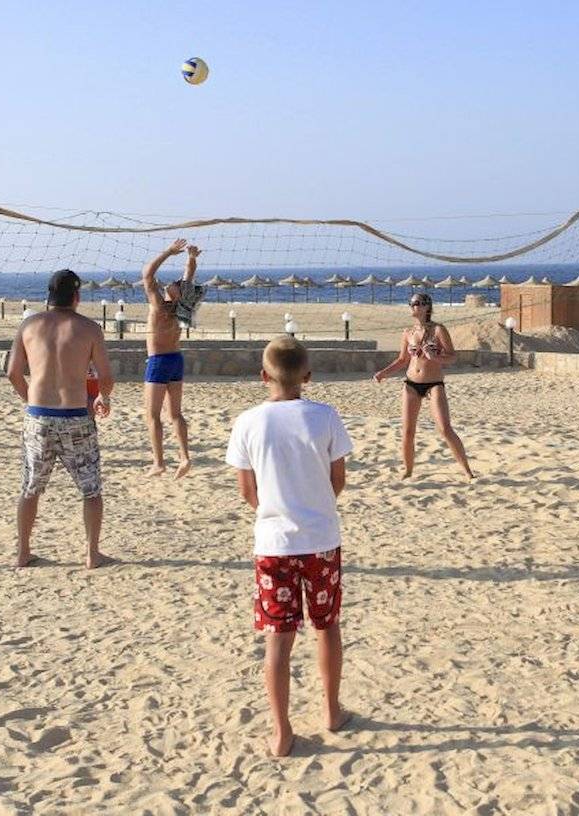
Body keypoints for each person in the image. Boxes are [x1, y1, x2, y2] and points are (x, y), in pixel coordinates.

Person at [226, 337, 354, 757]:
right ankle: (331, 710)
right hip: (320, 540)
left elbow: (249, 490)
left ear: (263, 377)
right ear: (308, 376)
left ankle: (282, 733)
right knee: (326, 624)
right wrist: (315, 505)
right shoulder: (325, 416)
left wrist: (275, 510)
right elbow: (338, 479)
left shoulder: (248, 422)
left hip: (274, 543)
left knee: (278, 637)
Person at [6, 269, 114, 569]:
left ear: (49, 296)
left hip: (38, 416)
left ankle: (23, 552)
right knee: (90, 489)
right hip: (76, 414)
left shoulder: (30, 325)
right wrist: (103, 398)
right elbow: (105, 375)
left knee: (30, 488)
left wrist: (31, 400)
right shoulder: (89, 328)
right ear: (77, 296)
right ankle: (92, 553)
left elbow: (12, 373)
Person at [372, 293, 474, 480]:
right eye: (411, 303)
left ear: (427, 307)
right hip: (411, 384)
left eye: (418, 303)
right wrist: (383, 373)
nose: (413, 307)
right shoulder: (408, 332)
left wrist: (435, 357)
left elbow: (452, 356)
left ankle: (467, 471)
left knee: (444, 428)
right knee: (408, 430)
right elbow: (402, 360)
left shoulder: (438, 330)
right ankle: (408, 471)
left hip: (434, 383)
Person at [141, 238, 199, 477]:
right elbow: (188, 278)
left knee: (153, 415)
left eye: (174, 285)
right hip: (176, 359)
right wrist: (191, 258)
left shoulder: (159, 306)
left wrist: (168, 252)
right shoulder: (181, 307)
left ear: (174, 292)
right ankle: (184, 458)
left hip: (159, 362)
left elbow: (147, 274)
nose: (171, 284)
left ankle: (159, 462)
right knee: (175, 414)